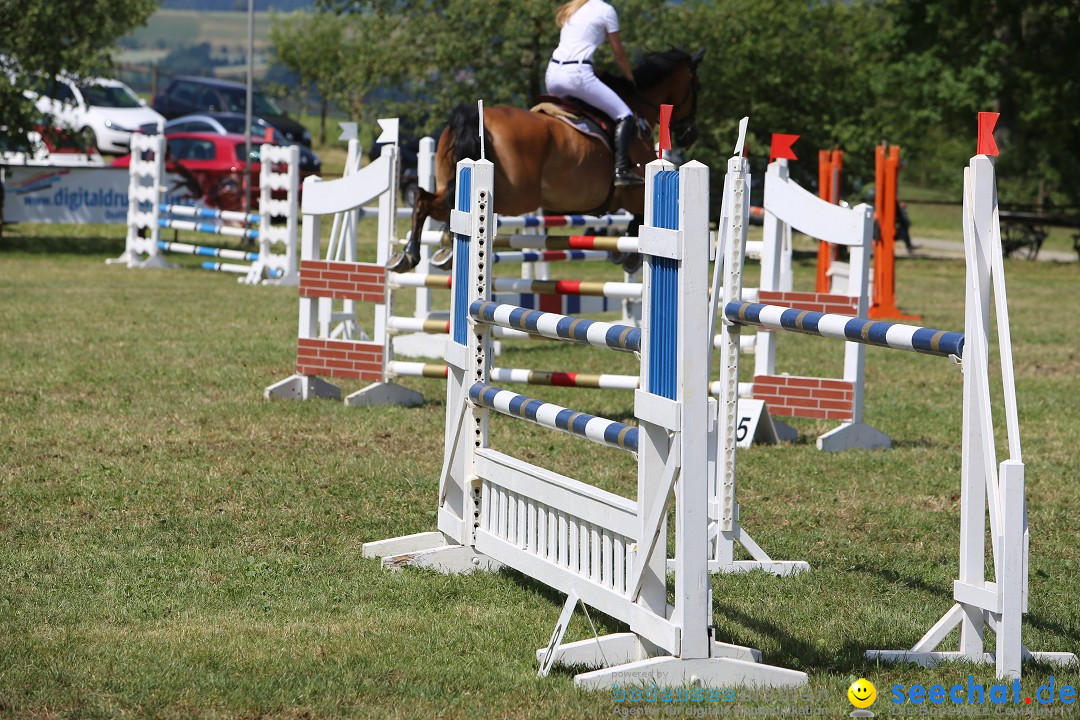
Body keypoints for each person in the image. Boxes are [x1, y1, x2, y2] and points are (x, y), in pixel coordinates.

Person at [545, 0, 643, 188]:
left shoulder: (573, 8)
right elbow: (619, 54)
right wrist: (630, 79)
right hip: (577, 76)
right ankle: (621, 170)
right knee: (625, 115)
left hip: (553, 75)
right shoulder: (606, 10)